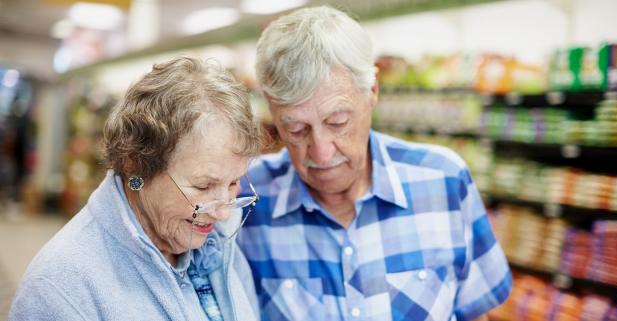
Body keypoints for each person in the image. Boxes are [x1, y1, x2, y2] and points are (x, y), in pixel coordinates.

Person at [237, 6, 512, 321]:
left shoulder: (445, 181)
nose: (322, 154)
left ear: (372, 91)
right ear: (272, 113)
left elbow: (477, 312)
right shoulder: (244, 204)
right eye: (296, 130)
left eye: (338, 121)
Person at [10, 57, 261, 321]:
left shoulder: (221, 244)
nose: (223, 212)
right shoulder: (60, 288)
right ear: (137, 166)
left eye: (234, 182)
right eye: (203, 186)